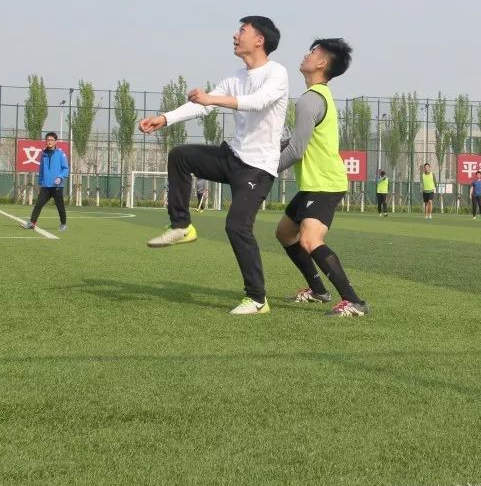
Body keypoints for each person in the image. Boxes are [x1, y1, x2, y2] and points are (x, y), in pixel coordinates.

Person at [138, 16, 288, 315]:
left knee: (236, 227)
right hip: (232, 156)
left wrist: (212, 99)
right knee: (180, 155)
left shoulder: (277, 73)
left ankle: (257, 299)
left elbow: (258, 102)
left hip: (258, 168)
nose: (235, 35)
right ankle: (181, 226)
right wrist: (165, 118)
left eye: (242, 31)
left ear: (259, 40)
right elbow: (202, 106)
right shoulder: (235, 77)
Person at [275, 38, 368, 316]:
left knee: (309, 239)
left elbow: (296, 150)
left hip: (325, 183)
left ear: (322, 63)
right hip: (313, 184)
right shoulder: (317, 96)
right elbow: (299, 140)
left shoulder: (311, 99)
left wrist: (265, 169)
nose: (306, 55)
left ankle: (354, 301)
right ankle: (318, 291)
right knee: (285, 233)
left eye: (313, 52)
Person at [23, 132, 69, 232]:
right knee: (38, 204)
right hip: (45, 186)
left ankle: (63, 224)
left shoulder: (61, 154)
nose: (49, 142)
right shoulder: (43, 154)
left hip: (57, 186)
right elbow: (41, 169)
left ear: (56, 141)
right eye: (48, 140)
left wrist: (60, 177)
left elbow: (66, 169)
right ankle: (32, 223)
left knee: (60, 206)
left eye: (52, 140)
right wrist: (40, 181)